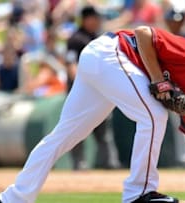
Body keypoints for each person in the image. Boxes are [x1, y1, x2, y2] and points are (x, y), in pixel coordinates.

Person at [0, 25, 185, 203]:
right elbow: (142, 33)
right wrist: (158, 78)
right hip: (109, 52)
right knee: (154, 115)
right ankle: (139, 194)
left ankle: (13, 199)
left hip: (105, 68)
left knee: (64, 136)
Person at [66, 5, 121, 170]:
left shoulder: (97, 38)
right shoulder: (76, 38)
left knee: (103, 131)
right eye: (95, 18)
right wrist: (82, 87)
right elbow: (71, 65)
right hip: (83, 93)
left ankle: (110, 163)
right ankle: (79, 163)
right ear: (86, 19)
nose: (98, 21)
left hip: (99, 92)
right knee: (77, 129)